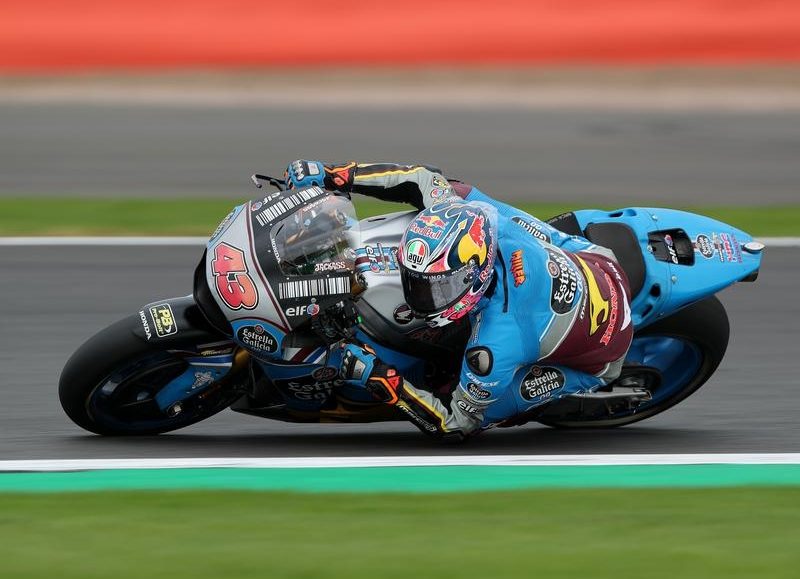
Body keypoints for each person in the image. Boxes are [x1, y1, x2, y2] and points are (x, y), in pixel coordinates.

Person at [285, 160, 635, 440]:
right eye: (415, 282)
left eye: (434, 288)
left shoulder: (494, 347)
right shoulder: (462, 210)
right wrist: (337, 175)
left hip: (601, 351)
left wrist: (383, 379)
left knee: (464, 396)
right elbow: (421, 177)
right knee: (462, 191)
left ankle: (567, 386)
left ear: (474, 276)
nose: (418, 295)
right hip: (592, 258)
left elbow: (453, 424)